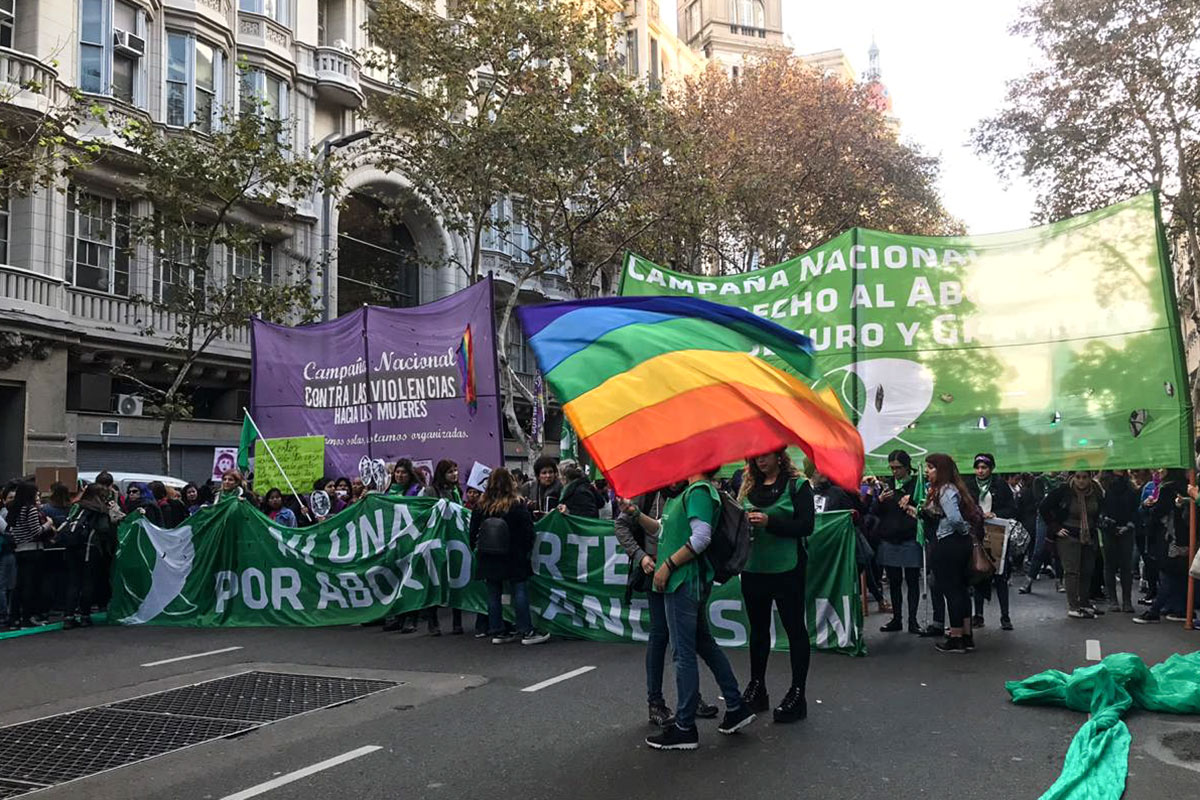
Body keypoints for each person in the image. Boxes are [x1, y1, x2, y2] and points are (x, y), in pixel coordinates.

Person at [637, 468, 755, 750]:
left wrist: (668, 566)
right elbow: (667, 531)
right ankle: (736, 706)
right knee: (704, 644)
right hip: (685, 582)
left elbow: (701, 538)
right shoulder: (687, 493)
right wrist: (634, 514)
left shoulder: (700, 491)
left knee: (683, 653)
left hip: (683, 583)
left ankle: (685, 726)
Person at [616, 484, 720, 728]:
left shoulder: (693, 489)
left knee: (688, 637)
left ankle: (691, 699)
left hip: (686, 572)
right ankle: (656, 702)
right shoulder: (649, 489)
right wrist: (640, 557)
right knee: (661, 635)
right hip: (656, 570)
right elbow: (621, 525)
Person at [738, 449, 815, 723]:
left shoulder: (798, 485)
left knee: (794, 629)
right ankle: (757, 686)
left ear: (780, 456)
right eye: (755, 456)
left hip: (788, 569)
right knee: (758, 631)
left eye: (766, 455)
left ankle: (798, 693)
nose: (760, 460)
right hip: (754, 568)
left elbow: (806, 526)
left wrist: (771, 523)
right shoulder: (748, 487)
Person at [468, 468, 549, 646]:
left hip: (488, 556)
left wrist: (477, 549)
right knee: (519, 590)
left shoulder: (481, 505)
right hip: (514, 555)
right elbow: (528, 531)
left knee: (493, 594)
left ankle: (497, 631)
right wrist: (526, 549)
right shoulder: (516, 504)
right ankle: (526, 630)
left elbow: (472, 532)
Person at [921, 454, 976, 654]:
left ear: (941, 470)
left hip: (948, 544)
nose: (928, 471)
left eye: (931, 467)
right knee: (961, 590)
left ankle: (955, 637)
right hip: (959, 544)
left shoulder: (945, 490)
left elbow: (953, 518)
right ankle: (966, 635)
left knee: (951, 591)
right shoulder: (953, 489)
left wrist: (963, 529)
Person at [872, 450, 923, 634]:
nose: (895, 472)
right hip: (890, 538)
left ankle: (913, 620)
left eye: (898, 468)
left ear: (907, 467)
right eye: (892, 468)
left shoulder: (917, 484)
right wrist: (878, 500)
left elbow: (924, 507)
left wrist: (913, 502)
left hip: (909, 538)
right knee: (893, 581)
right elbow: (875, 512)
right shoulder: (887, 486)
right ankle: (897, 618)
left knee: (912, 581)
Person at [1040, 471, 1103, 619]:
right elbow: (1043, 508)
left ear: (1090, 478)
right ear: (1073, 477)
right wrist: (1055, 527)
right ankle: (1074, 605)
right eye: (1078, 477)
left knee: (1087, 570)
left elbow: (1100, 508)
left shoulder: (1096, 491)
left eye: (1085, 477)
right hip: (1068, 535)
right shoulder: (1064, 491)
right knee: (1072, 571)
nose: (1081, 481)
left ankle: (1085, 602)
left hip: (1089, 534)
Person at [966, 453, 1017, 630]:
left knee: (1000, 575)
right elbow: (965, 507)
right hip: (976, 533)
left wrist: (996, 514)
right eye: (978, 467)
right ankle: (978, 615)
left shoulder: (1000, 485)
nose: (980, 471)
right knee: (978, 572)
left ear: (991, 469)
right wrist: (978, 514)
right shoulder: (969, 485)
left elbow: (1012, 508)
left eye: (984, 467)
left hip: (997, 533)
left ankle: (1005, 616)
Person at [1134, 468, 1190, 624]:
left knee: (1167, 574)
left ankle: (1155, 610)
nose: (1158, 471)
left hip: (1169, 537)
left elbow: (1157, 513)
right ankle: (1182, 609)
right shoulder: (1187, 486)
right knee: (1179, 575)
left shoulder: (1167, 488)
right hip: (1185, 537)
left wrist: (1146, 507)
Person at [419, 459, 465, 635]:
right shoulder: (431, 491)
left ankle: (457, 621)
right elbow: (424, 514)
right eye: (450, 471)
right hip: (436, 542)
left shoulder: (456, 492)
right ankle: (433, 622)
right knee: (434, 580)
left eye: (455, 470)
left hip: (454, 541)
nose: (454, 474)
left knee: (456, 580)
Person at [61, 483, 117, 628]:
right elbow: (104, 529)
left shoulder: (77, 505)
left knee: (73, 582)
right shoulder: (100, 510)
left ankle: (68, 616)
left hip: (72, 547)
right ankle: (85, 615)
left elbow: (68, 522)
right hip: (90, 548)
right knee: (88, 582)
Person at [8, 481, 55, 628]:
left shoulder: (15, 509)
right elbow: (36, 531)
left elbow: (12, 531)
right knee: (31, 586)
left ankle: (14, 618)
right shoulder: (31, 510)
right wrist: (48, 524)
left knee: (19, 586)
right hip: (33, 550)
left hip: (20, 549)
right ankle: (27, 618)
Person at [1098, 470, 1138, 613]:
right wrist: (1106, 522)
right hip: (1109, 529)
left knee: (1126, 565)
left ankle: (1127, 600)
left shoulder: (1130, 487)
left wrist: (1128, 525)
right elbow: (1100, 509)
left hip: (1127, 528)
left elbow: (1135, 508)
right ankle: (1112, 599)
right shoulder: (1103, 486)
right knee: (1110, 564)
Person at [1020, 472, 1065, 595]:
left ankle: (1059, 581)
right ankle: (1029, 580)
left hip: (1059, 518)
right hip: (1044, 518)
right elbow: (1040, 502)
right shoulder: (1039, 481)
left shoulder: (1062, 481)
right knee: (1039, 549)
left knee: (1059, 550)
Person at [0, 485, 16, 627]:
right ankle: (4, 614)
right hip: (5, 552)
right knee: (4, 586)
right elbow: (8, 531)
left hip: (5, 552)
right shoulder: (3, 514)